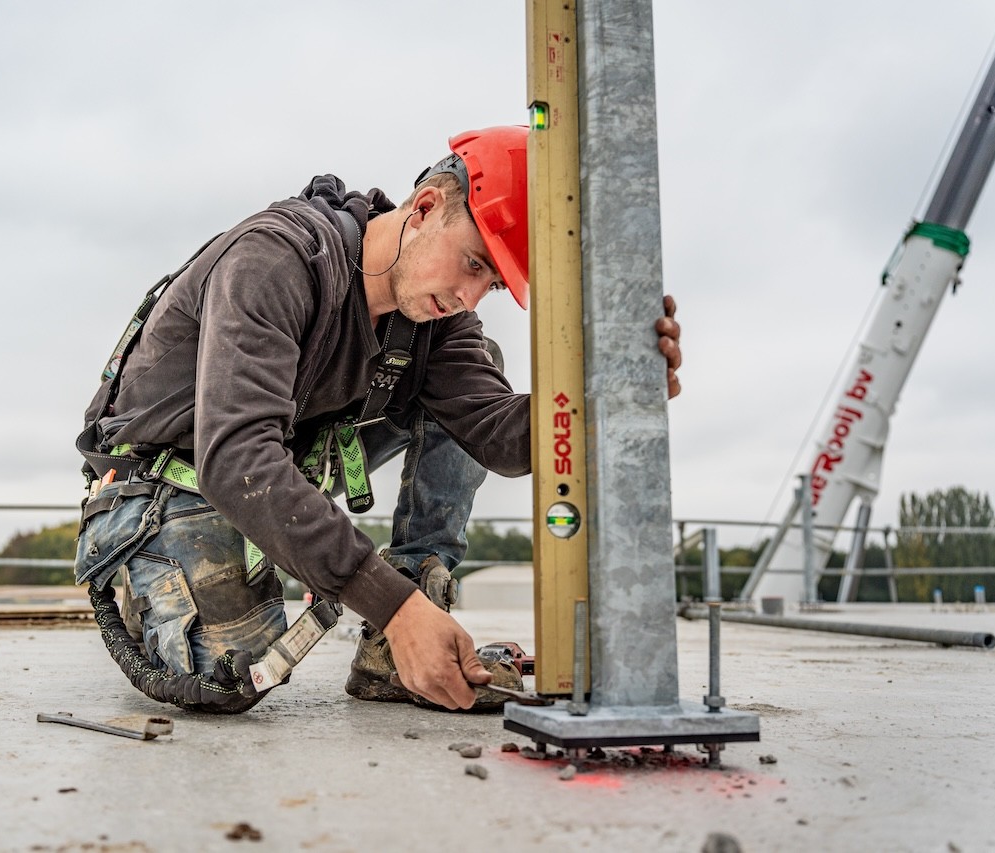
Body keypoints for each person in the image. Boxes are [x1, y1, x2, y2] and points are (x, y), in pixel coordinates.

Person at [74, 126, 682, 714]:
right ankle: (160, 570)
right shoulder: (277, 260)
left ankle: (406, 619)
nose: (470, 297)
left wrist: (612, 397)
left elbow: (495, 434)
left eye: (491, 284)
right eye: (473, 262)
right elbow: (237, 458)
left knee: (479, 369)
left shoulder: (433, 323)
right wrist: (392, 606)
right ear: (424, 208)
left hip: (279, 461)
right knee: (229, 672)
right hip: (169, 477)